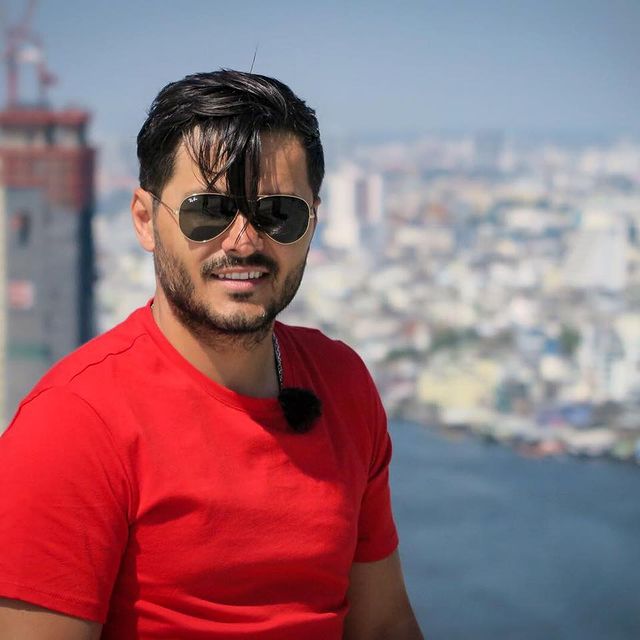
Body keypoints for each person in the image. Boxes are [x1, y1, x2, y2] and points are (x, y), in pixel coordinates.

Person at [0, 70, 423, 639]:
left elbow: (384, 625)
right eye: (209, 211)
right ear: (145, 220)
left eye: (278, 213)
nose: (243, 240)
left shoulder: (341, 384)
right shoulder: (74, 426)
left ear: (313, 221)